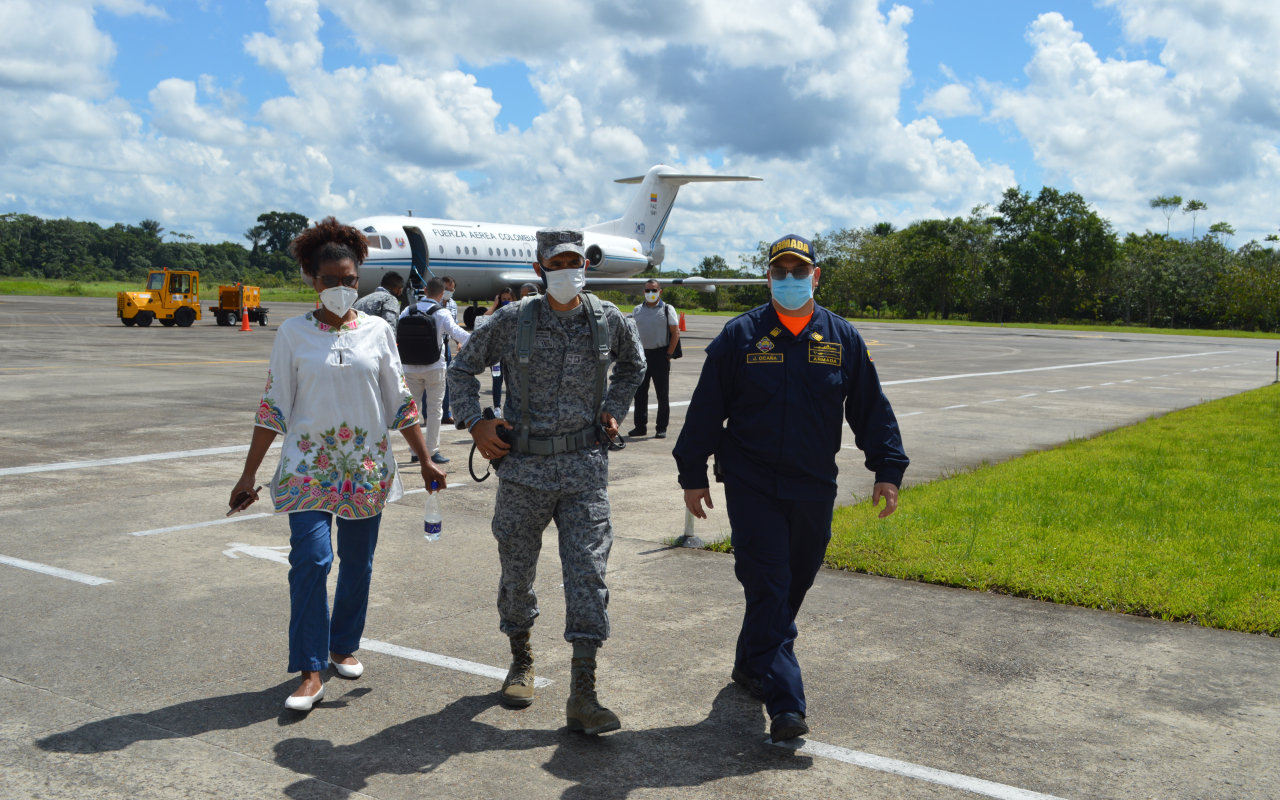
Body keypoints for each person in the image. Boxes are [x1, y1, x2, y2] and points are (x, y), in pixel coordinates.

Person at [672, 233, 909, 744]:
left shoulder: (842, 339)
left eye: (799, 271)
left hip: (813, 484)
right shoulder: (739, 337)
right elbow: (707, 411)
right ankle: (786, 704)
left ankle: (750, 662)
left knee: (793, 582)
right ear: (768, 278)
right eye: (780, 271)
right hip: (751, 481)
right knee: (770, 583)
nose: (790, 279)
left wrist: (887, 468)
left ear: (816, 277)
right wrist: (692, 473)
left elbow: (870, 409)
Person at [229, 217, 448, 713]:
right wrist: (248, 474)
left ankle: (342, 645)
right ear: (312, 277)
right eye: (331, 279)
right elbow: (273, 407)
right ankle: (310, 668)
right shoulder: (292, 334)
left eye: (350, 279)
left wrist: (425, 459)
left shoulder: (377, 332)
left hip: (366, 469)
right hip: (307, 468)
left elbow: (401, 401)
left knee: (359, 564)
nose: (342, 288)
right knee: (311, 561)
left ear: (359, 276)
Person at [448, 228, 645, 734]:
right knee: (517, 574)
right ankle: (521, 660)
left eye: (574, 262)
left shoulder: (607, 320)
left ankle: (584, 692)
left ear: (586, 267)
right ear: (539, 269)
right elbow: (460, 371)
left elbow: (634, 366)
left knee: (588, 576)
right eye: (557, 263)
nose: (567, 271)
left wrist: (614, 412)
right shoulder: (512, 321)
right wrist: (476, 422)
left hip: (585, 473)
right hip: (524, 474)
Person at [400, 276, 470, 465]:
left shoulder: (408, 310)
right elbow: (458, 333)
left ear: (424, 290)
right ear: (441, 294)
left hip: (409, 367)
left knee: (412, 410)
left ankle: (414, 451)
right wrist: (478, 337)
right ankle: (431, 451)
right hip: (434, 367)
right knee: (434, 411)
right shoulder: (441, 312)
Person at [627, 278, 680, 439]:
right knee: (640, 393)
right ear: (643, 292)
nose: (651, 293)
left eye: (654, 290)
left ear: (660, 291)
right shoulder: (637, 310)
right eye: (648, 290)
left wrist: (668, 355)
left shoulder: (667, 309)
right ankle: (640, 427)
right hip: (641, 356)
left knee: (662, 394)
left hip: (660, 355)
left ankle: (661, 427)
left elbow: (675, 333)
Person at [483, 287, 515, 406]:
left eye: (509, 299)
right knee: (497, 379)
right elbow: (484, 319)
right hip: (497, 353)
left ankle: (511, 406)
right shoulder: (496, 313)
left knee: (512, 381)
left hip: (511, 352)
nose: (507, 301)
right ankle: (497, 407)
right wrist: (495, 304)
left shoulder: (517, 310)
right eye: (504, 299)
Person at [440, 276, 459, 426]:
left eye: (451, 289)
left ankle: (446, 413)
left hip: (446, 345)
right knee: (432, 379)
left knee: (447, 380)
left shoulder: (453, 304)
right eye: (446, 289)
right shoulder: (433, 303)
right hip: (434, 344)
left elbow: (455, 326)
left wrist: (459, 342)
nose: (449, 292)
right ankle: (428, 415)